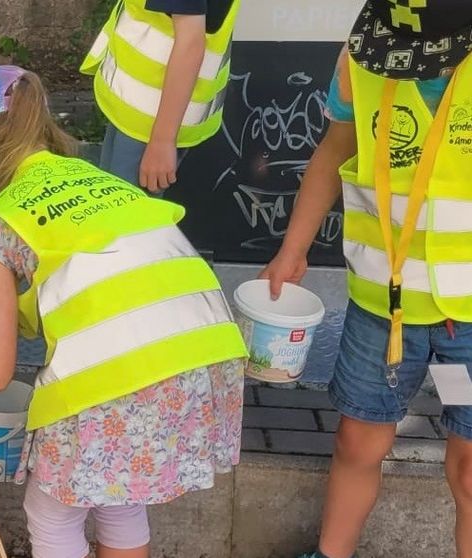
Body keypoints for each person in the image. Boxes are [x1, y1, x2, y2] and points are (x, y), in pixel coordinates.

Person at [0, 65, 248, 558]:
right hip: (207, 354)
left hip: (118, 374)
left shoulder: (0, 222)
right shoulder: (100, 181)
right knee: (119, 496)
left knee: (52, 512)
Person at [259, 2, 472, 557]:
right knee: (357, 441)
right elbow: (335, 149)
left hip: (468, 318)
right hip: (383, 305)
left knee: (471, 468)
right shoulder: (366, 53)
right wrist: (293, 249)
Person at [81, 0, 239, 193]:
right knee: (114, 199)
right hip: (140, 113)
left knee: (126, 206)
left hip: (151, 122)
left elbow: (190, 44)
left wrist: (162, 141)